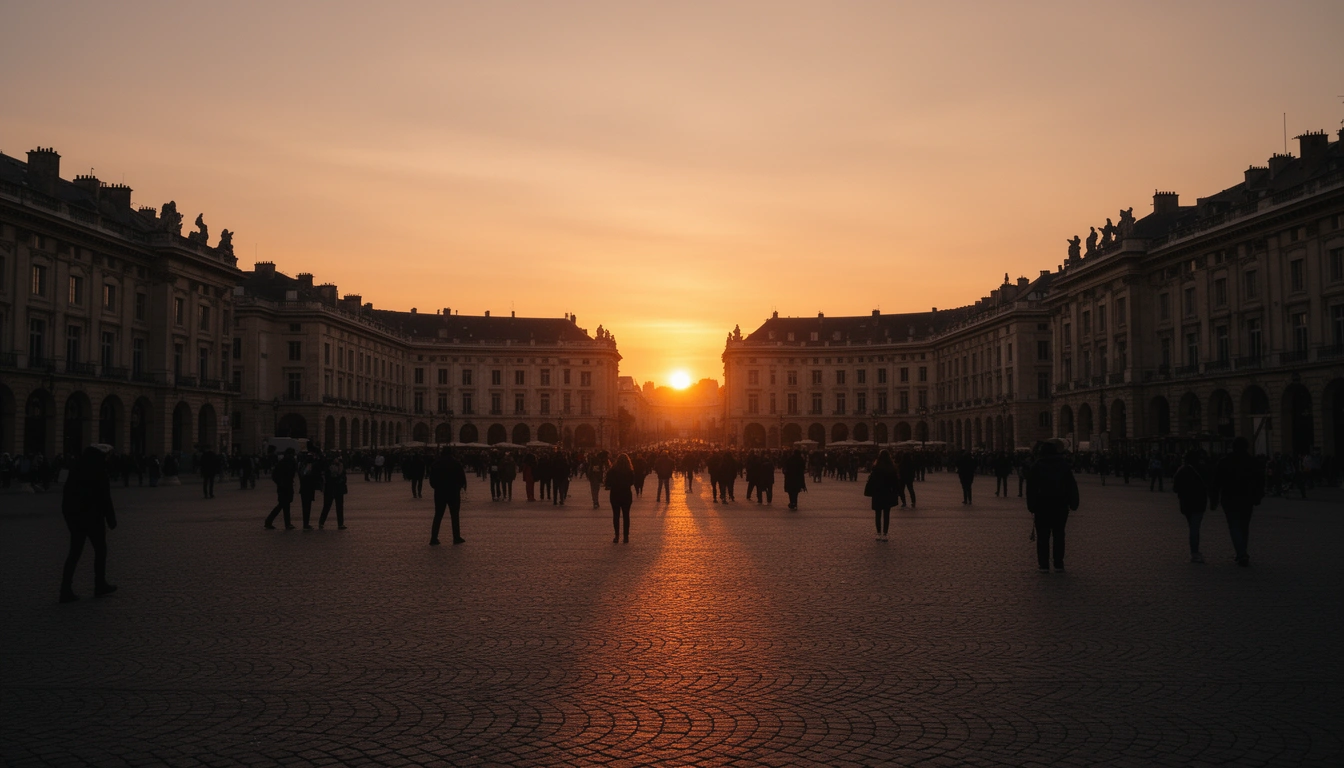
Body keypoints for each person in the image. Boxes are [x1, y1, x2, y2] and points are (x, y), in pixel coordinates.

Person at [59, 445, 118, 603]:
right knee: (100, 550)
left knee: (75, 553)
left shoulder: (76, 469)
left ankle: (65, 588)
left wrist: (69, 518)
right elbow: (105, 498)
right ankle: (99, 584)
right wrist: (111, 519)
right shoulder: (99, 471)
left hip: (76, 518)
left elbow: (66, 496)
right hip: (93, 518)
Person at [1025, 439, 1079, 573]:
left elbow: (1030, 489)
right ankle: (1058, 563)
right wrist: (1074, 503)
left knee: (1043, 536)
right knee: (1059, 535)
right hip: (1060, 506)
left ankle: (1044, 564)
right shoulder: (1064, 466)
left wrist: (1031, 506)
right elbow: (1071, 486)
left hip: (1042, 506)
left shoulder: (1036, 466)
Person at [1211, 437, 1264, 567]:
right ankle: (1242, 551)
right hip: (1247, 498)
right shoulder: (1252, 462)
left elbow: (1216, 482)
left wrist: (1214, 500)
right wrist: (1258, 497)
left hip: (1229, 498)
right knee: (1244, 526)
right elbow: (1260, 481)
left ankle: (1241, 553)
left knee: (1234, 526)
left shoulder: (1224, 462)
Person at [1172, 449, 1211, 563]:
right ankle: (1195, 552)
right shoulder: (1203, 469)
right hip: (1199, 502)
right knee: (1195, 528)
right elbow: (1209, 484)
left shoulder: (1182, 470)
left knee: (1192, 527)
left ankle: (1194, 552)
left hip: (1186, 503)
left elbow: (1175, 488)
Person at [428, 446, 467, 545]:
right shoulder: (455, 463)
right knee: (454, 515)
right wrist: (459, 487)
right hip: (453, 492)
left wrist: (436, 487)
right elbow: (462, 477)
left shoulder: (436, 463)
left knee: (438, 515)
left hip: (440, 492)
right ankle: (456, 537)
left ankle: (433, 538)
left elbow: (431, 479)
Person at [865, 450, 901, 541]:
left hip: (877, 493)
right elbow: (895, 483)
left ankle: (878, 533)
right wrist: (896, 492)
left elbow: (871, 481)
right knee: (886, 514)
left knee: (878, 514)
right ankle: (885, 534)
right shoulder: (892, 468)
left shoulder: (875, 468)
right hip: (887, 493)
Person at [605, 453, 636, 543]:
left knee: (616, 516)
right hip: (626, 494)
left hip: (615, 494)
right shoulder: (630, 471)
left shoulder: (612, 471)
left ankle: (616, 536)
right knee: (626, 516)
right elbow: (632, 482)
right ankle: (626, 537)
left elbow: (608, 483)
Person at [264, 448, 298, 530]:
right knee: (283, 505)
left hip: (286, 486)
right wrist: (281, 483)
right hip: (284, 487)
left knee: (284, 505)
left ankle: (284, 523)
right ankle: (271, 521)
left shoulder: (285, 462)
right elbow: (276, 476)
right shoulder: (285, 463)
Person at [318, 456, 348, 530]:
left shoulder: (340, 466)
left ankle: (340, 523)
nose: (336, 460)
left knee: (339, 507)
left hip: (337, 489)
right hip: (331, 489)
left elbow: (344, 477)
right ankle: (321, 522)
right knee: (327, 506)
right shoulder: (328, 468)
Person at [297, 451, 323, 529]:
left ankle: (306, 523)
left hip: (304, 488)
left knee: (305, 506)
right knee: (307, 506)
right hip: (308, 488)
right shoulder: (310, 466)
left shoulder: (301, 465)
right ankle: (306, 523)